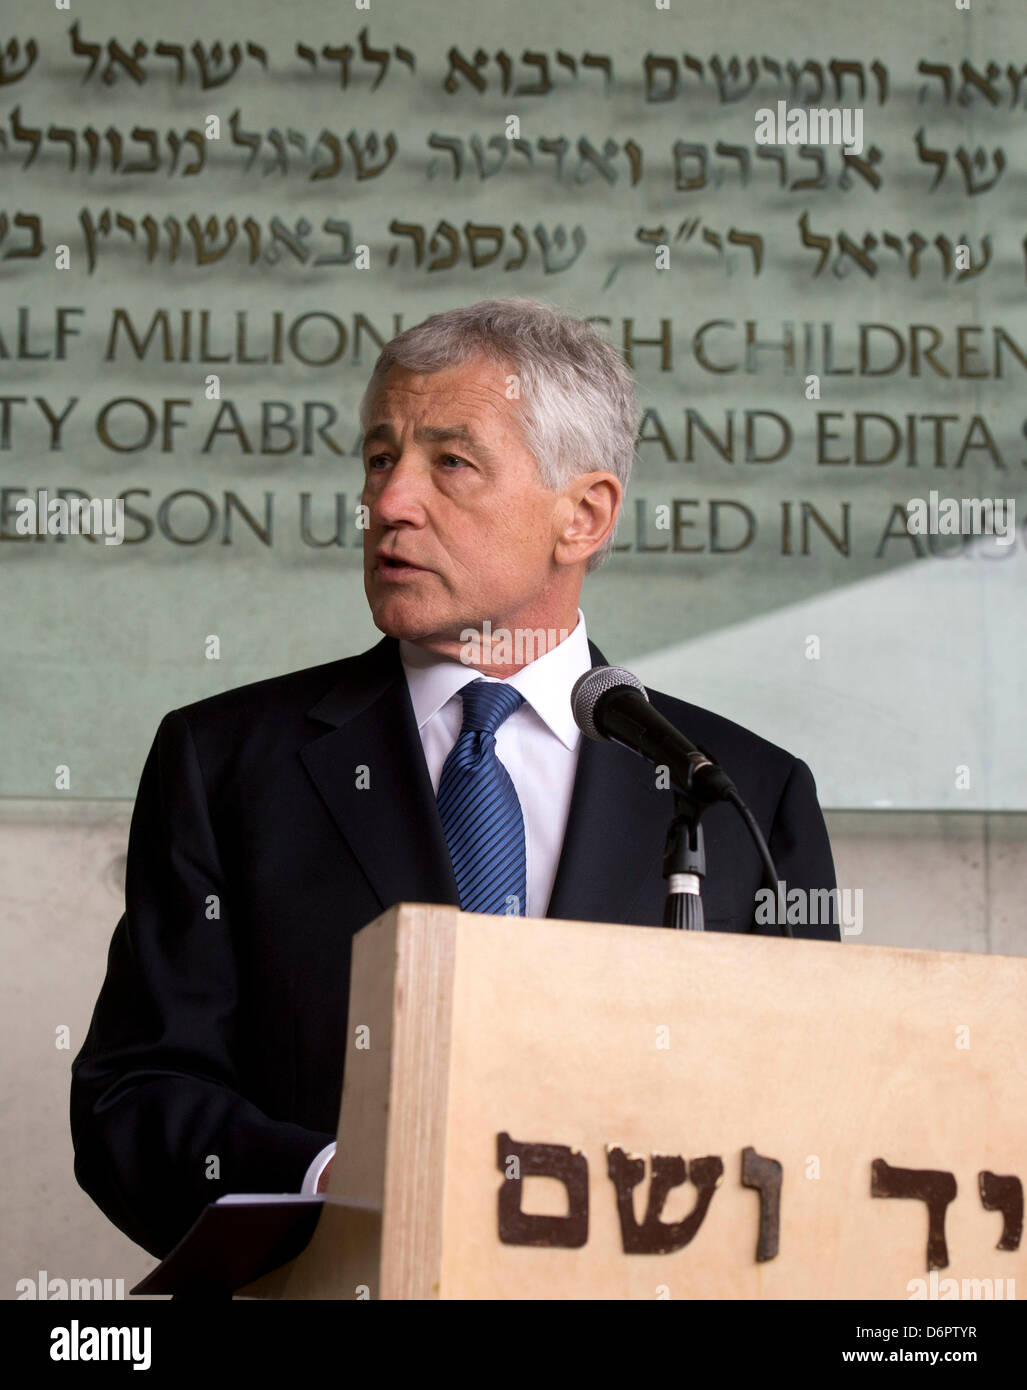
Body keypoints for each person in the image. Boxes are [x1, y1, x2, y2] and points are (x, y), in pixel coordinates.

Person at [71, 297, 839, 1260]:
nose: (390, 502)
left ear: (583, 516)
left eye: (451, 463)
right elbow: (135, 1099)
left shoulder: (738, 793)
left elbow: (815, 1132)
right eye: (380, 459)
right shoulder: (225, 762)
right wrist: (331, 1186)